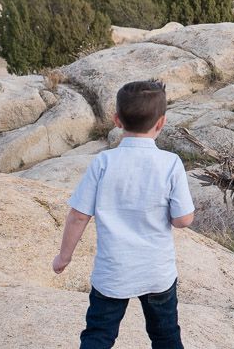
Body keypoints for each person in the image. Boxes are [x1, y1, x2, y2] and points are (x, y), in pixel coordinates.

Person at [52, 80, 195, 349]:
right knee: (165, 337)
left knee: (98, 335)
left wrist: (64, 256)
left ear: (117, 120)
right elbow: (183, 220)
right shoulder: (170, 163)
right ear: (161, 122)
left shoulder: (103, 163)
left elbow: (79, 216)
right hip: (156, 272)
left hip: (112, 272)